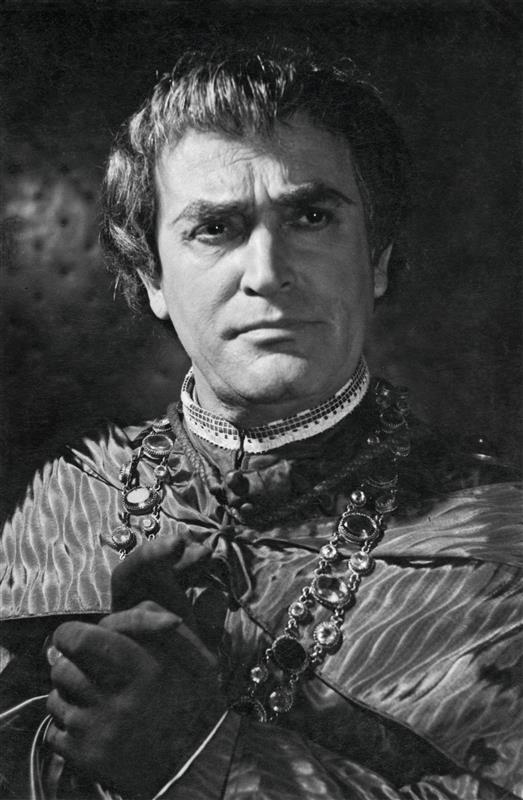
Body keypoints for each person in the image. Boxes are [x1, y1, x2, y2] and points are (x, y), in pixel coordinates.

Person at [0, 46, 521, 800]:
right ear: (152, 277)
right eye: (216, 227)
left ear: (375, 261)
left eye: (311, 217)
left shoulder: (497, 546)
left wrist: (202, 757)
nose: (268, 271)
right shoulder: (66, 496)